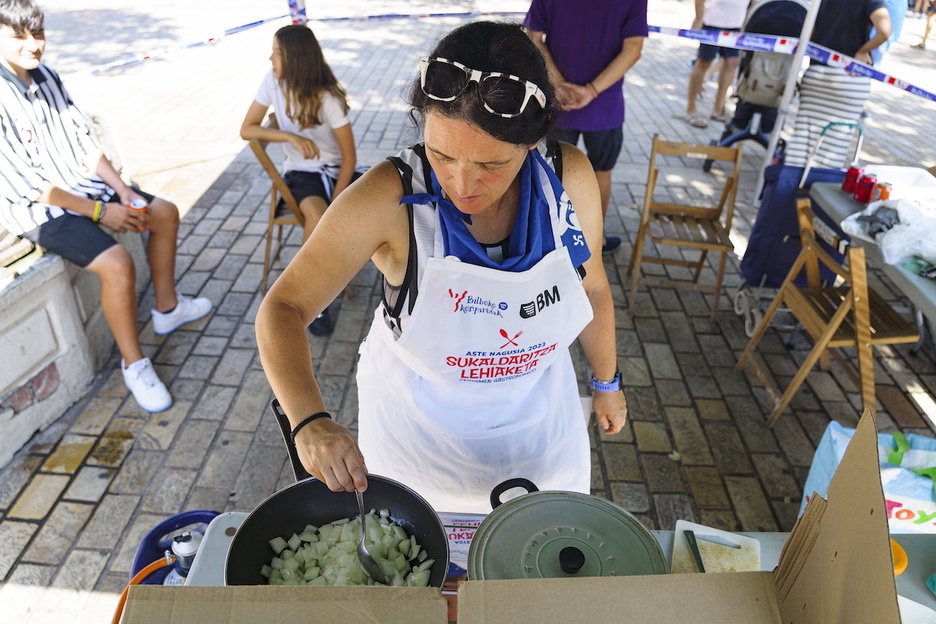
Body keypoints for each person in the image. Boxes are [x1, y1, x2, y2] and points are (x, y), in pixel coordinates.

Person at [256, 21, 628, 514]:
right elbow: (283, 307)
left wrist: (607, 384)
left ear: (533, 141)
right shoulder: (388, 198)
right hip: (419, 435)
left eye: (491, 165)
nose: (462, 183)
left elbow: (594, 289)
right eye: (441, 154)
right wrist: (308, 421)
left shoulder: (568, 177)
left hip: (538, 422)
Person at [0, 0, 212, 413]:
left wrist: (123, 192)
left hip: (84, 187)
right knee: (117, 264)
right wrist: (101, 212)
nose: (33, 45)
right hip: (40, 208)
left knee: (162, 211)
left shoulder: (46, 76)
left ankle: (167, 308)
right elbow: (30, 186)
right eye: (19, 36)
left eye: (38, 33)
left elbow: (83, 142)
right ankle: (135, 365)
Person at [240, 24, 364, 335]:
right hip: (300, 175)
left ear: (296, 59)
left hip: (337, 172)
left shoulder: (328, 99)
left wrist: (339, 199)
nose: (270, 58)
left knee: (382, 200)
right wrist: (287, 135)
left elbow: (349, 158)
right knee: (317, 215)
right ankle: (313, 299)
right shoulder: (273, 82)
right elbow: (247, 129)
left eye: (277, 53)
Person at [524, 0, 648, 255]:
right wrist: (591, 91)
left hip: (558, 101)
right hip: (604, 104)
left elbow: (533, 38)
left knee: (547, 171)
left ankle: (544, 241)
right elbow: (633, 49)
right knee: (601, 170)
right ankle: (595, 241)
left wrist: (559, 85)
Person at [782, 0, 891, 169]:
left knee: (801, 143)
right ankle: (816, 189)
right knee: (835, 146)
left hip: (816, 75)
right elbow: (884, 30)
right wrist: (862, 51)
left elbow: (809, 34)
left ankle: (787, 188)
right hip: (851, 79)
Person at [684, 0, 751, 128]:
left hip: (737, 23)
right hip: (713, 22)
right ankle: (690, 109)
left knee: (732, 63)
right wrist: (699, 18)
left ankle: (718, 109)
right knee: (704, 62)